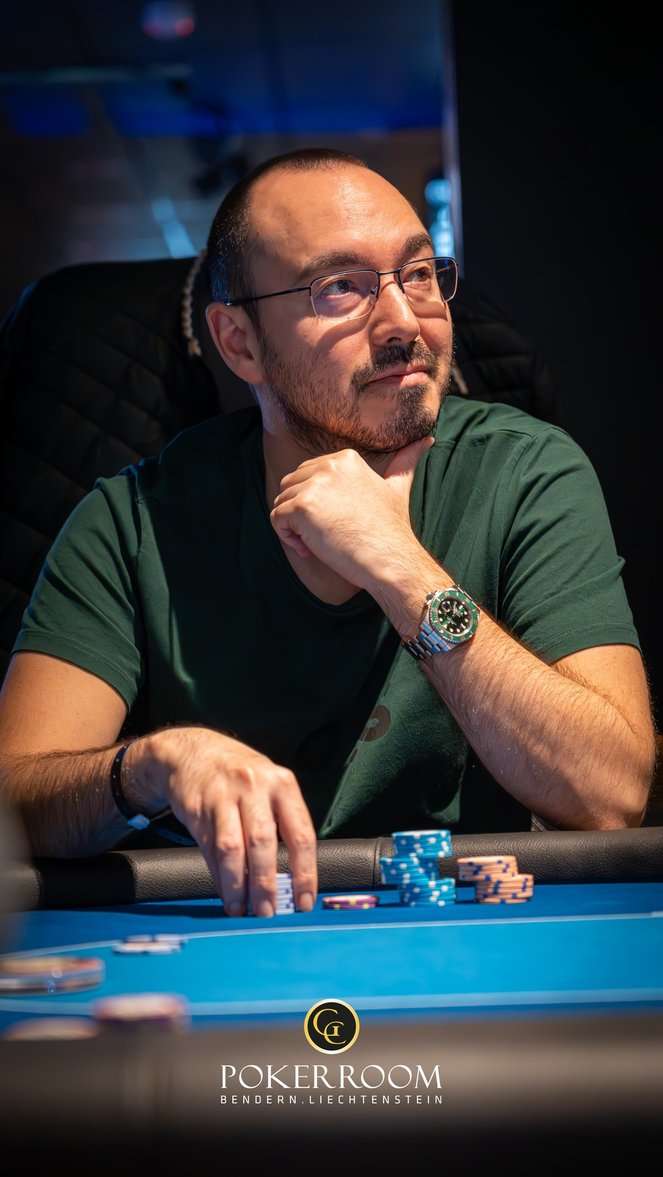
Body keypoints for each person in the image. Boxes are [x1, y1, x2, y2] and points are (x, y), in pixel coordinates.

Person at [0, 148, 655, 919]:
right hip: (221, 939)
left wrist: (401, 568)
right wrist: (151, 765)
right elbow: (15, 799)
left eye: (418, 274)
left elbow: (609, 795)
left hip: (464, 943)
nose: (404, 321)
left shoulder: (525, 470)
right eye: (339, 287)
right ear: (239, 342)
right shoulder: (130, 521)